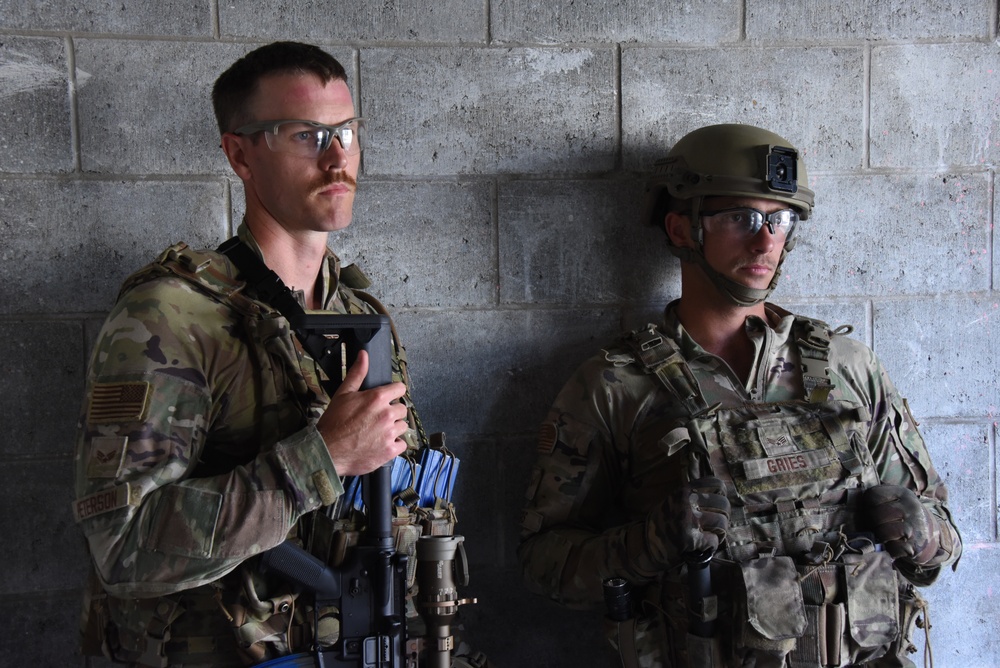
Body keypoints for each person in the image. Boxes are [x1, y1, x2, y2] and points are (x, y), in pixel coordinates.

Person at [73, 41, 481, 667]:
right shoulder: (170, 316)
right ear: (240, 152)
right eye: (307, 135)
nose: (339, 156)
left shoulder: (359, 313)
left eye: (347, 130)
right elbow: (123, 548)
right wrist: (319, 460)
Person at [518, 123, 962, 668]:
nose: (765, 241)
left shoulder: (849, 367)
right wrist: (646, 546)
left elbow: (942, 532)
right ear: (681, 229)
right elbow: (543, 562)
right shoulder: (614, 384)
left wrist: (923, 537)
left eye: (780, 220)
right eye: (741, 218)